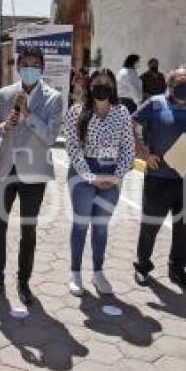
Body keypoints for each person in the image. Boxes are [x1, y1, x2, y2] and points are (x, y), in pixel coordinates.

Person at [0, 47, 64, 306]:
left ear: (42, 69)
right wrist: (5, 126)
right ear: (19, 67)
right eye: (26, 64)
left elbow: (49, 137)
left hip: (34, 175)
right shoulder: (4, 95)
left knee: (28, 230)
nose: (30, 69)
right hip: (4, 171)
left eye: (35, 65)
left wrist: (27, 113)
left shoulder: (53, 99)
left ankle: (24, 283)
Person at [133, 67, 186, 291]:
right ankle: (143, 265)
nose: (185, 82)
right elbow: (133, 123)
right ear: (170, 82)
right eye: (180, 79)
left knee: (185, 225)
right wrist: (144, 152)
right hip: (159, 176)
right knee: (151, 224)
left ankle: (178, 268)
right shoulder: (155, 103)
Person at [63, 69, 135, 296]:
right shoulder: (77, 111)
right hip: (83, 174)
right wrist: (91, 178)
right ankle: (75, 273)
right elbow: (72, 148)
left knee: (101, 227)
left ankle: (98, 272)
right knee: (81, 224)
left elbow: (128, 148)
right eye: (97, 82)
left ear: (113, 87)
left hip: (112, 174)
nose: (102, 86)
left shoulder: (122, 112)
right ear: (89, 86)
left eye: (106, 83)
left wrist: (115, 176)